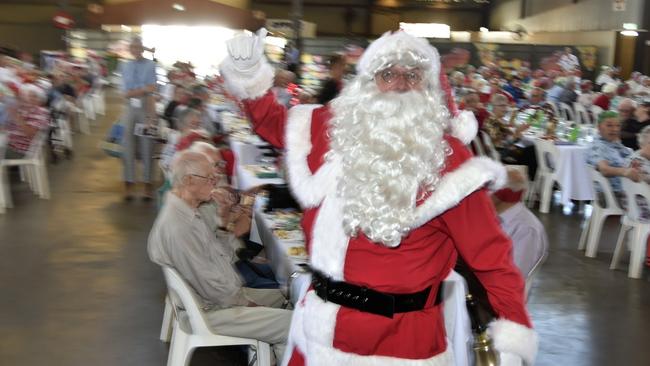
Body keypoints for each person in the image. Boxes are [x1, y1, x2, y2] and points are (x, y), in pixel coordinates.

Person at [220, 29, 536, 366]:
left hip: (405, 343)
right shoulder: (337, 129)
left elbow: (491, 256)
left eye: (412, 75)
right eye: (388, 73)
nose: (400, 83)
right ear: (369, 83)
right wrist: (249, 74)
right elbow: (274, 123)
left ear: (428, 89)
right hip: (320, 333)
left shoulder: (452, 162)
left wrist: (513, 334)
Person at [148, 150, 292, 362]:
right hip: (211, 310)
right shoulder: (178, 227)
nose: (215, 182)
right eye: (209, 178)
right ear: (189, 181)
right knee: (294, 325)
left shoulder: (188, 210)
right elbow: (211, 286)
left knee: (291, 296)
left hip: (222, 297)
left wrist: (223, 221)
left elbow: (225, 259)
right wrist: (248, 303)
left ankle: (269, 356)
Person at [491, 168, 548, 277]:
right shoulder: (497, 217)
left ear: (503, 194)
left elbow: (516, 275)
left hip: (497, 287)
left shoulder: (526, 229)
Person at [119, 37, 157, 201]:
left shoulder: (151, 65)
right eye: (132, 47)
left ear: (142, 48)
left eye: (138, 46)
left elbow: (152, 89)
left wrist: (151, 116)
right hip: (129, 108)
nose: (135, 49)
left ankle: (147, 185)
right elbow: (124, 93)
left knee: (147, 145)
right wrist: (143, 89)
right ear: (129, 49)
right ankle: (129, 183)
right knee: (127, 147)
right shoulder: (124, 65)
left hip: (145, 107)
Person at [587, 111, 642, 206]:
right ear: (599, 128)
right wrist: (625, 172)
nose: (615, 129)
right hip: (612, 195)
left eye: (618, 126)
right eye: (609, 125)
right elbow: (604, 169)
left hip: (626, 190)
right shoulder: (598, 146)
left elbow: (631, 156)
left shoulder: (613, 143)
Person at [5, 84, 50, 159]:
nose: (29, 99)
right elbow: (8, 128)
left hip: (21, 151)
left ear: (40, 100)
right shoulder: (25, 110)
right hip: (12, 145)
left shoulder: (40, 113)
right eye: (28, 96)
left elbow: (31, 134)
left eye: (33, 96)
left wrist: (17, 117)